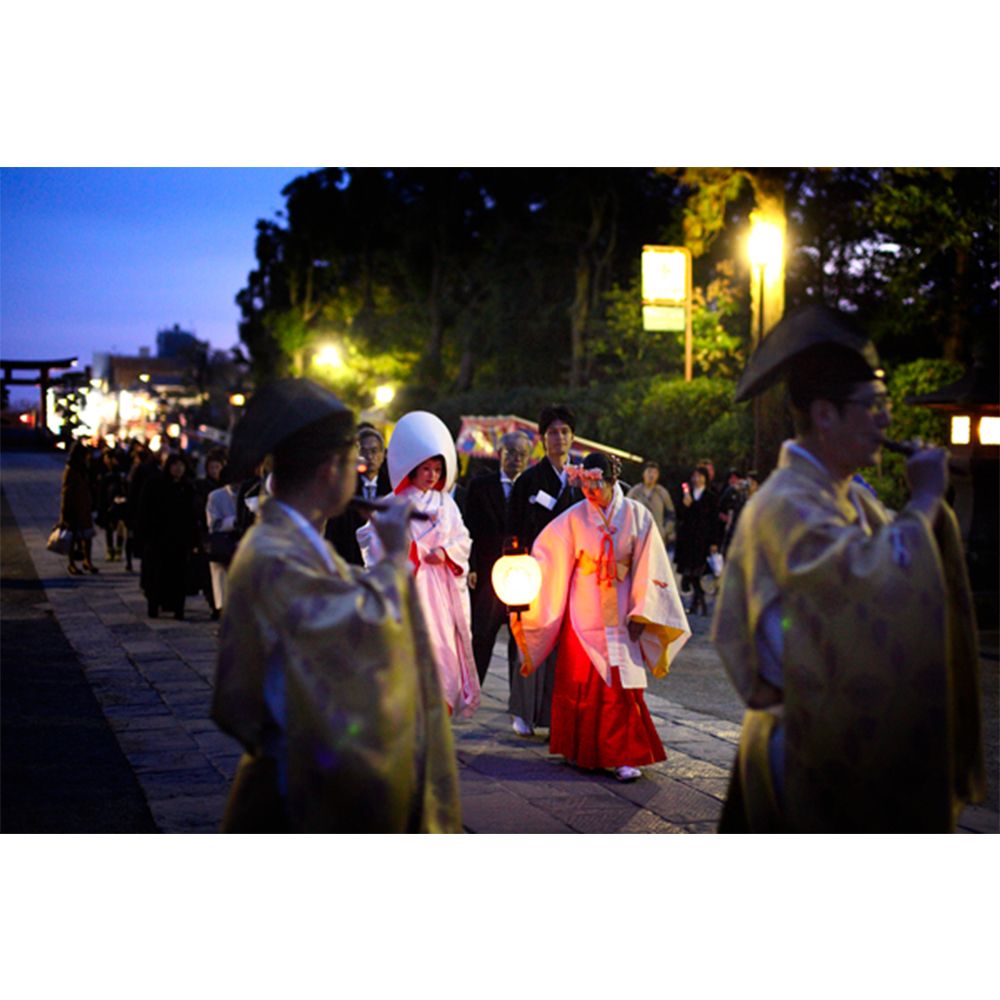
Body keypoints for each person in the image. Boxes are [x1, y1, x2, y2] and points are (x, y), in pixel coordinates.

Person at [711, 304, 986, 832]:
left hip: (835, 734)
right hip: (808, 749)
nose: (886, 419)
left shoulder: (846, 499)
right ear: (824, 414)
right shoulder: (786, 502)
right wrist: (926, 501)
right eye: (873, 405)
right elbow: (862, 592)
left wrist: (922, 509)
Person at [211, 379, 462, 833]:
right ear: (330, 470)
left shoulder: (291, 541)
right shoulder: (276, 553)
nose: (360, 472)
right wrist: (390, 560)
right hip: (299, 789)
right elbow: (364, 636)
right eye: (354, 462)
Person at [511, 453, 691, 781]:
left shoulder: (637, 515)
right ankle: (582, 751)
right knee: (581, 680)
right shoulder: (575, 517)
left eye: (597, 484)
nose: (591, 491)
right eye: (586, 485)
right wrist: (525, 574)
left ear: (611, 480)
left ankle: (622, 755)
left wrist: (643, 609)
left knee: (621, 685)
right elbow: (548, 554)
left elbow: (651, 564)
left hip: (623, 607)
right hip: (584, 609)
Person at [358, 410, 480, 719]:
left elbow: (463, 539)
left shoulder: (446, 503)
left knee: (442, 651)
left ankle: (437, 717)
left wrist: (445, 552)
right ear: (412, 468)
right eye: (426, 468)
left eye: (437, 469)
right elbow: (373, 541)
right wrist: (408, 551)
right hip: (408, 588)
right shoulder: (392, 504)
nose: (432, 475)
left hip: (440, 591)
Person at [505, 404, 583, 735]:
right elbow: (513, 527)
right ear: (542, 438)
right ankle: (522, 711)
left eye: (565, 432)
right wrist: (514, 568)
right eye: (552, 432)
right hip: (532, 574)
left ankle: (554, 714)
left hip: (570, 576)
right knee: (527, 638)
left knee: (563, 644)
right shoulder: (529, 481)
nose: (559, 438)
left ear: (573, 438)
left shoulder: (581, 481)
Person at [464, 430, 533, 684]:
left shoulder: (532, 486)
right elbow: (467, 528)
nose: (516, 459)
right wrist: (470, 565)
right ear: (500, 454)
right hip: (487, 573)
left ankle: (518, 698)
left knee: (520, 638)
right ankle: (473, 688)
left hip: (522, 576)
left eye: (522, 454)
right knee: (482, 634)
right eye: (511, 452)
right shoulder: (480, 486)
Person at [137, 451, 200, 620]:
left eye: (181, 465)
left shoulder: (188, 487)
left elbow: (193, 515)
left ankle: (178, 608)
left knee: (178, 575)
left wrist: (193, 539)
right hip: (158, 538)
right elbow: (145, 510)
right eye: (175, 465)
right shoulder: (155, 484)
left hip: (180, 540)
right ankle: (154, 605)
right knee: (156, 573)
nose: (178, 469)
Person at [324, 426, 390, 565]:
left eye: (374, 451)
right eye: (363, 452)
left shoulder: (393, 488)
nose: (370, 457)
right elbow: (332, 535)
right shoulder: (343, 488)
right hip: (350, 563)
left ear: (383, 455)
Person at [675, 465, 721, 616]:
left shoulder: (711, 496)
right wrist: (685, 505)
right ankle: (698, 602)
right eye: (695, 476)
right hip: (689, 538)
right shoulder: (688, 494)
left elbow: (714, 521)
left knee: (698, 572)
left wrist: (714, 541)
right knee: (690, 573)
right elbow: (681, 516)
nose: (697, 479)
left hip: (703, 539)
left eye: (700, 476)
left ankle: (698, 603)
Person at [59, 440, 99, 576]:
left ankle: (88, 560)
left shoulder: (84, 469)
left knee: (87, 535)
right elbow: (66, 492)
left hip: (85, 507)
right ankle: (72, 564)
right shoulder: (70, 470)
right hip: (74, 508)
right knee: (73, 537)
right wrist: (64, 514)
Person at [626, 461, 676, 553]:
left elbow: (671, 514)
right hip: (637, 534)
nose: (651, 475)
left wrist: (666, 530)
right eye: (649, 472)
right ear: (643, 473)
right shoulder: (635, 492)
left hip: (657, 534)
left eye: (655, 473)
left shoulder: (662, 493)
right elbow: (625, 511)